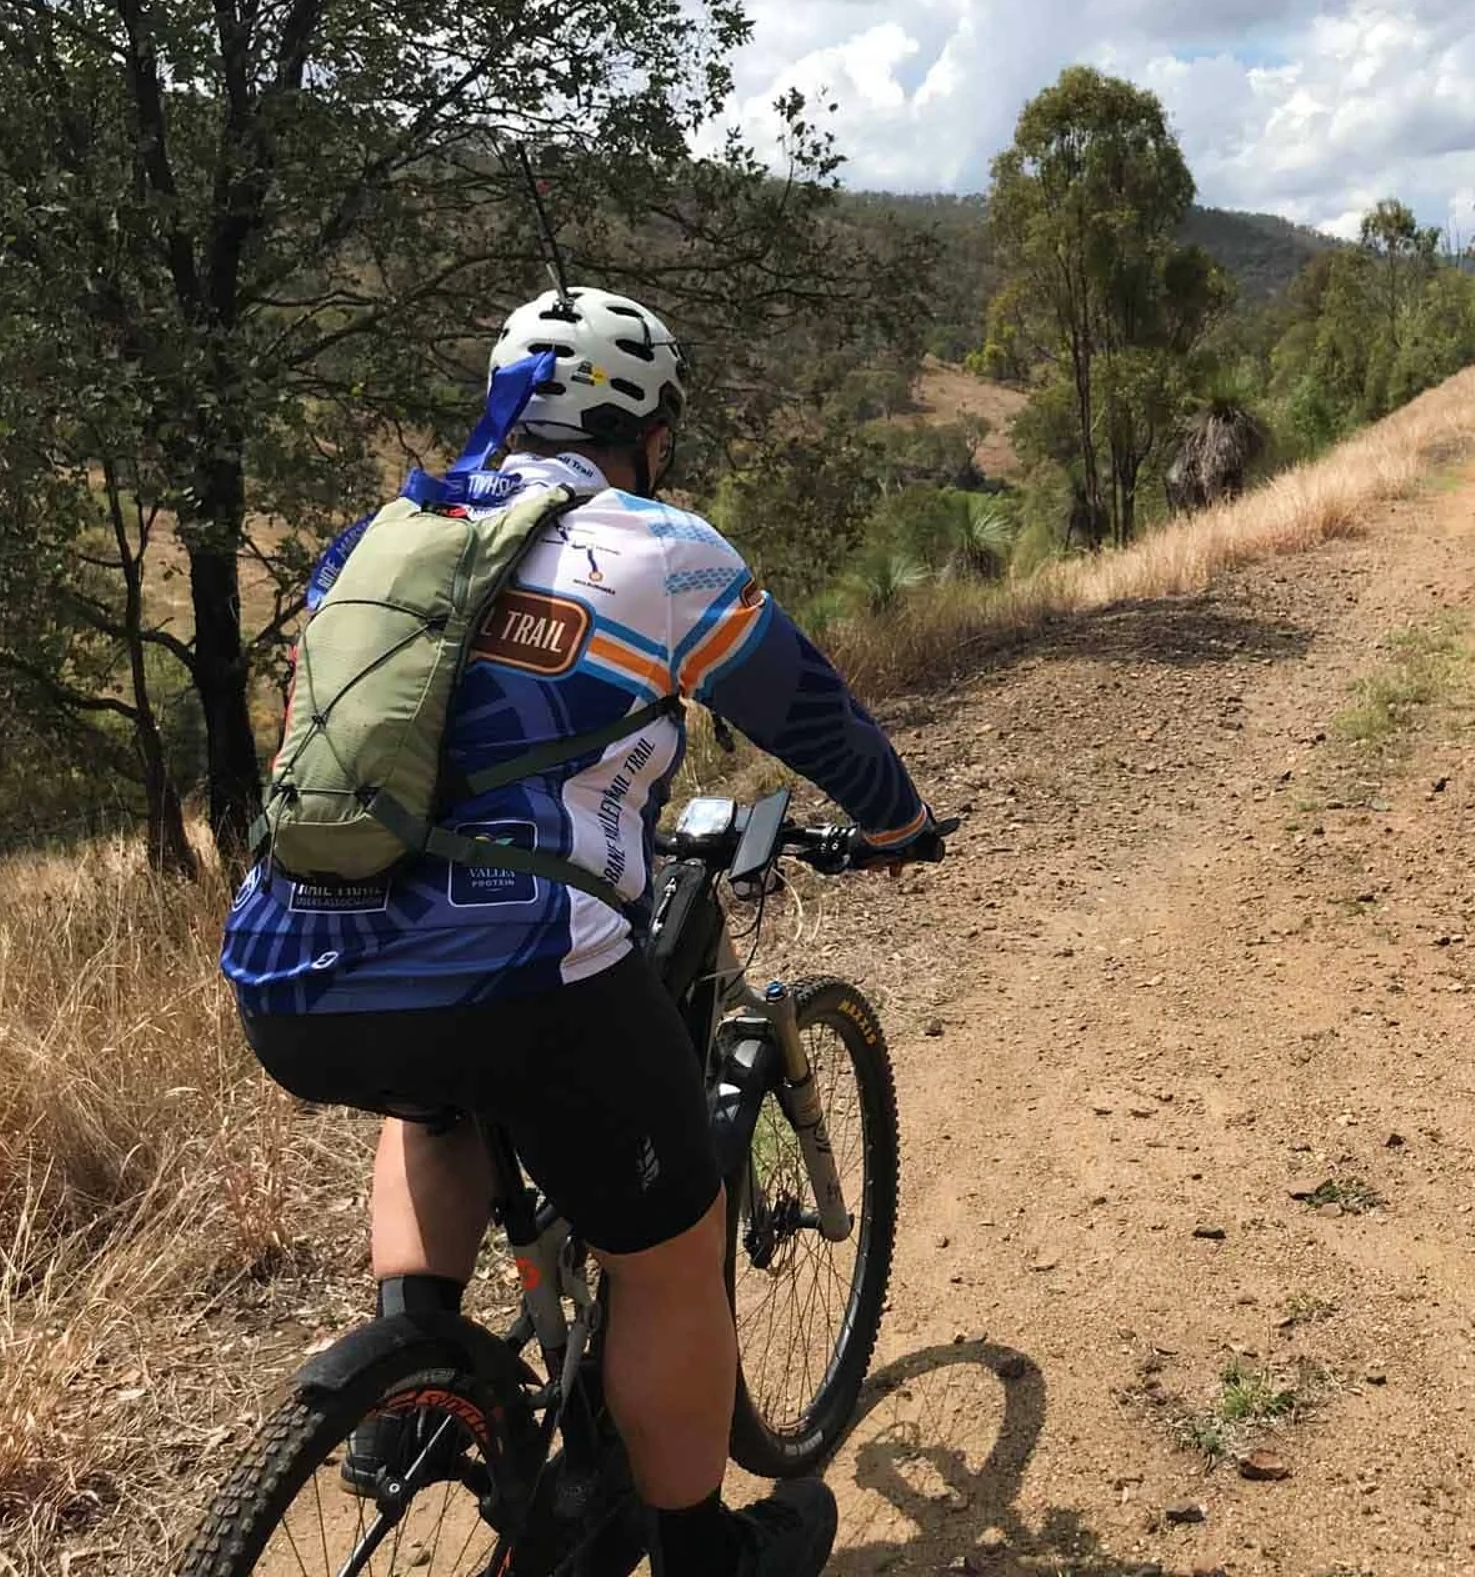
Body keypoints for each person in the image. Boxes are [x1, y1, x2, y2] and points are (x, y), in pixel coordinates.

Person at [221, 286, 942, 1577]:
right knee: (665, 1260)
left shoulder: (378, 540)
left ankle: (419, 1378)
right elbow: (814, 716)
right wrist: (896, 824)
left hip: (293, 966)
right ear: (648, 427)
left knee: (434, 1098)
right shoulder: (659, 547)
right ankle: (697, 1549)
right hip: (529, 972)